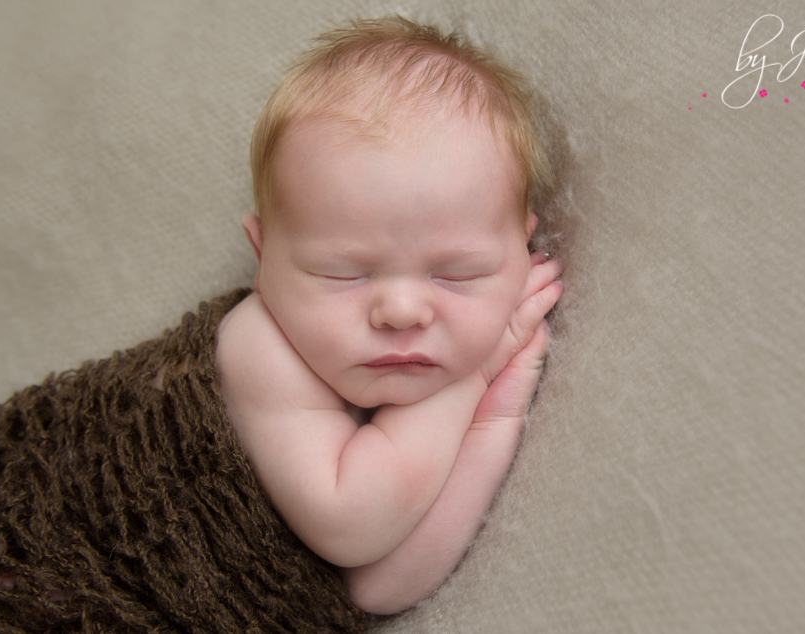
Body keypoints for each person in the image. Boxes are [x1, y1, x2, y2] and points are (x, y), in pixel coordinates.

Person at [216, 16, 563, 614]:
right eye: (343, 273)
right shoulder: (256, 344)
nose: (401, 312)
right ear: (262, 254)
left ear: (522, 252)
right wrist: (470, 382)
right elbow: (351, 524)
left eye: (457, 274)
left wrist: (492, 417)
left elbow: (376, 590)